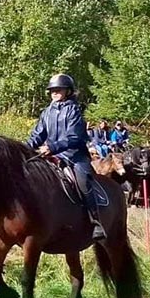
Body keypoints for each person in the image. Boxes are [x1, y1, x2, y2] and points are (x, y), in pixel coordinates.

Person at [27, 73, 106, 241]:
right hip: (49, 155)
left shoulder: (74, 109)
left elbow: (75, 136)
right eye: (52, 90)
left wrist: (53, 147)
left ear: (68, 91)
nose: (55, 92)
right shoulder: (47, 112)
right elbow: (37, 135)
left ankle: (95, 221)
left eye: (58, 89)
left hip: (73, 156)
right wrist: (25, 149)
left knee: (83, 180)